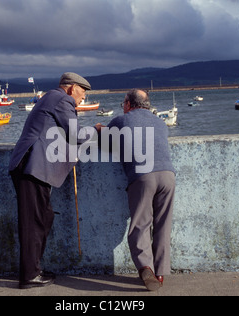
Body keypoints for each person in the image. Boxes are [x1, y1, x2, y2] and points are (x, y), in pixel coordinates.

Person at [8, 72, 92, 289]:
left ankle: (33, 270)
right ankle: (29, 276)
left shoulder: (50, 98)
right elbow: (76, 134)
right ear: (72, 88)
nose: (83, 98)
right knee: (33, 223)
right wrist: (96, 131)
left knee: (43, 218)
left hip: (32, 167)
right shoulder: (62, 99)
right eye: (82, 93)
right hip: (32, 167)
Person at [102, 89, 176, 291]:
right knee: (163, 225)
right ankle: (160, 274)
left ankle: (145, 267)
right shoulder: (160, 123)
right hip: (168, 175)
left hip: (143, 176)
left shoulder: (121, 121)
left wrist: (100, 129)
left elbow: (105, 141)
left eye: (123, 103)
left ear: (128, 104)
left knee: (140, 225)